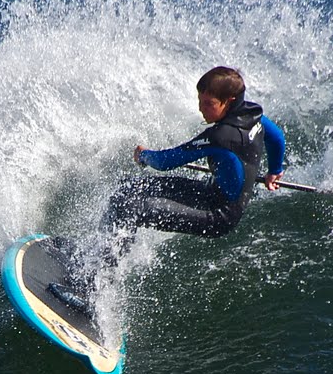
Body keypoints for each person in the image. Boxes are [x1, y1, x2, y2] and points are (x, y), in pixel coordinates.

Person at [101, 66, 287, 264]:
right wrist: (274, 171)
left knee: (131, 207)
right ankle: (100, 252)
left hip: (219, 216)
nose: (200, 108)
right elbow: (276, 138)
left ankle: (102, 274)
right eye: (200, 100)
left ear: (229, 101)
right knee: (128, 187)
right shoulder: (252, 115)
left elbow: (165, 162)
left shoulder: (221, 137)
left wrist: (143, 155)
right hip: (210, 193)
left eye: (208, 103)